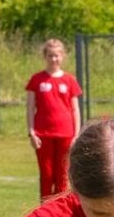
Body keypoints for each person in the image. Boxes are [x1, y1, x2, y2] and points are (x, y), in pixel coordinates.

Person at [25, 39, 83, 201]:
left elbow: (75, 109)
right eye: (50, 55)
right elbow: (30, 107)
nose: (53, 59)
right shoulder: (37, 80)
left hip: (66, 134)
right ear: (45, 57)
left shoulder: (69, 80)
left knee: (62, 175)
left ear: (62, 56)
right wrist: (31, 132)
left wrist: (76, 134)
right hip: (43, 134)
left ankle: (60, 210)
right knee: (46, 174)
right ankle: (45, 209)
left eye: (57, 55)